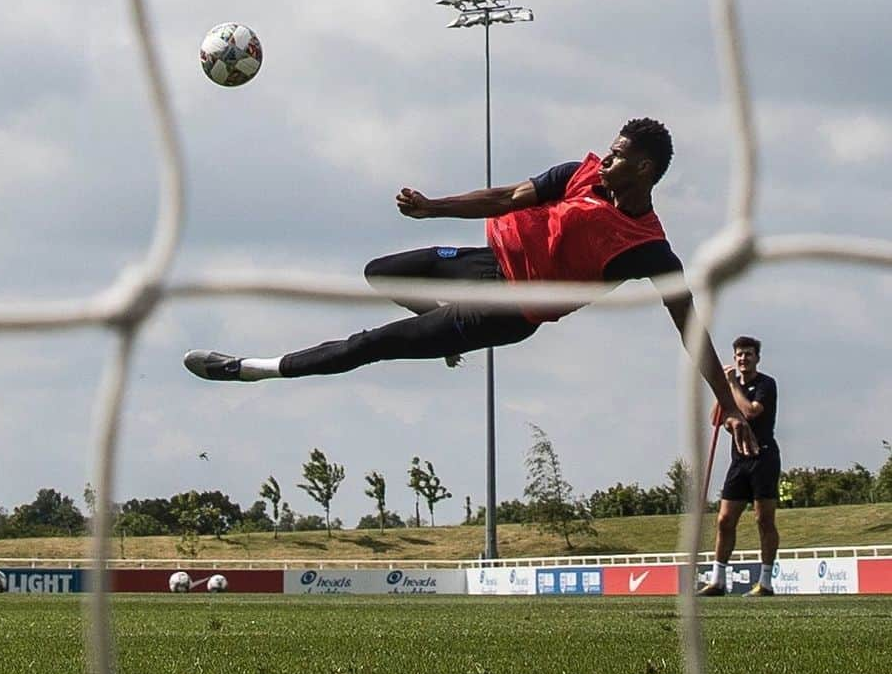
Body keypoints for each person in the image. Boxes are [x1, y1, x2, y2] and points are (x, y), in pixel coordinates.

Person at [184, 117, 758, 455]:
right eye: (610, 149)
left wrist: (724, 396)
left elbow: (687, 321)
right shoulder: (580, 173)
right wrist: (434, 208)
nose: (607, 158)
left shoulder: (649, 247)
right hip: (485, 265)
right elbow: (507, 197)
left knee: (370, 345)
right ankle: (442, 333)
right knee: (382, 272)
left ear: (646, 171)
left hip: (507, 312)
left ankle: (249, 368)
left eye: (620, 156)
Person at [698, 335, 780, 596]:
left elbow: (751, 411)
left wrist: (732, 384)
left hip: (763, 456)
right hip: (739, 460)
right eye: (739, 355)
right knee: (724, 520)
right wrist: (722, 390)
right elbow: (715, 419)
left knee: (763, 518)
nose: (743, 359)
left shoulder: (766, 384)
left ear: (757, 358)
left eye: (748, 354)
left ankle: (765, 582)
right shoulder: (730, 387)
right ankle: (717, 580)